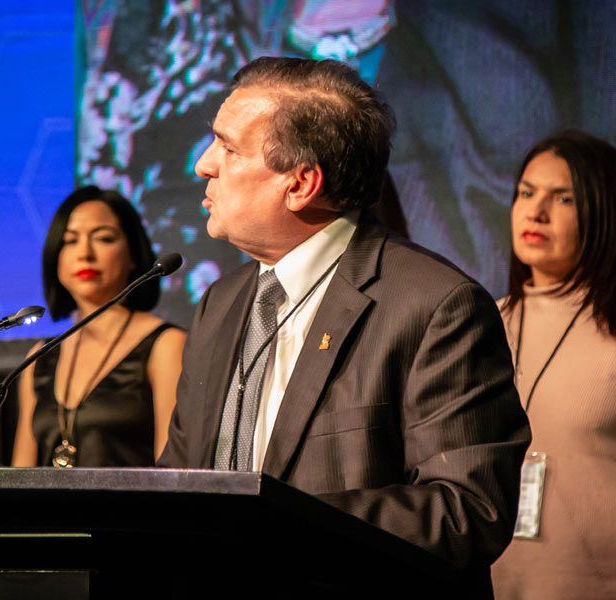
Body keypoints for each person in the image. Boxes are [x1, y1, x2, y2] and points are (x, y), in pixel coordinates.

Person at [156, 56, 531, 590]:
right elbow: (182, 475)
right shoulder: (223, 301)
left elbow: (467, 510)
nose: (203, 164)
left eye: (228, 147)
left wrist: (274, 523)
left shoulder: (435, 305)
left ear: (301, 184)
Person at [491, 131, 616, 598]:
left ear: (602, 211)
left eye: (562, 198)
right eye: (526, 193)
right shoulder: (483, 323)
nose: (536, 212)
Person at [11, 186, 185, 468]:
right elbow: (20, 473)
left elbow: (175, 471)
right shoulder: (39, 358)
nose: (85, 253)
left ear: (133, 254)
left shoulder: (166, 344)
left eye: (103, 238)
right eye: (70, 241)